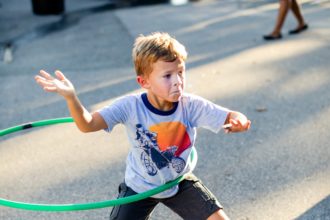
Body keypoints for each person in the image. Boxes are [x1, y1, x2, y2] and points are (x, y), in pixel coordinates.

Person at [35, 32, 251, 220]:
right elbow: (88, 124)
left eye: (180, 72)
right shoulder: (130, 107)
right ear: (144, 82)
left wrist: (238, 120)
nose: (177, 81)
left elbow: (228, 115)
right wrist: (72, 98)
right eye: (167, 75)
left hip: (177, 181)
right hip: (140, 186)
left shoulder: (190, 105)